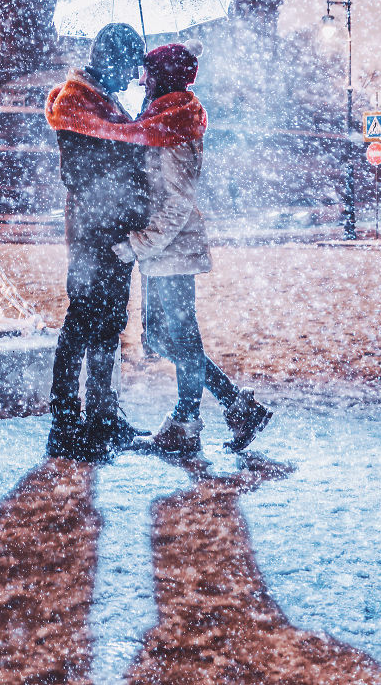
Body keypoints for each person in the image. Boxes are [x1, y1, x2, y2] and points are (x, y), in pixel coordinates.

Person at [114, 43, 272, 457]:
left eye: (149, 72)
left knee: (179, 338)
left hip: (172, 249)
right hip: (162, 250)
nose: (141, 78)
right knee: (161, 337)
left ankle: (186, 423)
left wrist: (141, 243)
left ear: (164, 76)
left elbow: (179, 199)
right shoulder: (161, 119)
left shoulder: (174, 125)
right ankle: (237, 405)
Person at [44, 23, 152, 462]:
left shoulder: (104, 106)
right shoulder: (77, 104)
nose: (131, 77)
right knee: (81, 324)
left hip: (115, 234)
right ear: (110, 59)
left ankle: (102, 412)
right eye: (128, 65)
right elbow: (77, 174)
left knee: (108, 325)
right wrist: (127, 156)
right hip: (93, 235)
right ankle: (66, 422)